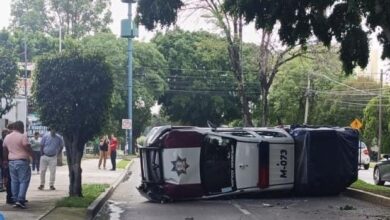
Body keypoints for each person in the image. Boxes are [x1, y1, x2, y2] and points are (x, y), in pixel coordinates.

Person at [2, 121, 33, 209]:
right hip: (22, 161)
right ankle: (21, 200)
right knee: (24, 180)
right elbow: (27, 146)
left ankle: (15, 199)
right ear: (20, 127)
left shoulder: (7, 137)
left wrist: (5, 160)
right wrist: (32, 154)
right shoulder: (22, 136)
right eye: (23, 127)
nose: (23, 129)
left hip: (11, 161)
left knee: (14, 181)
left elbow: (4, 149)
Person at [2, 128, 12, 204]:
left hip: (10, 162)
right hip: (5, 163)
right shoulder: (1, 142)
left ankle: (12, 196)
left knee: (10, 180)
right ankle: (9, 197)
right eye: (5, 133)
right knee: (8, 179)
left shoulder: (9, 141)